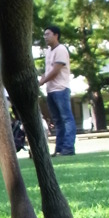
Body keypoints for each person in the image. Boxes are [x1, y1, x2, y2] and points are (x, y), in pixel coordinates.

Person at [38, 25, 77, 156]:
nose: (45, 37)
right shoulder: (48, 51)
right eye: (44, 35)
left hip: (61, 89)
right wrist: (40, 81)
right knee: (58, 121)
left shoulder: (61, 50)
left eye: (48, 34)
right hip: (50, 90)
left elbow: (55, 70)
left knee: (67, 119)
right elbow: (47, 71)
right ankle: (59, 149)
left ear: (56, 35)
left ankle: (68, 147)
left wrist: (42, 81)